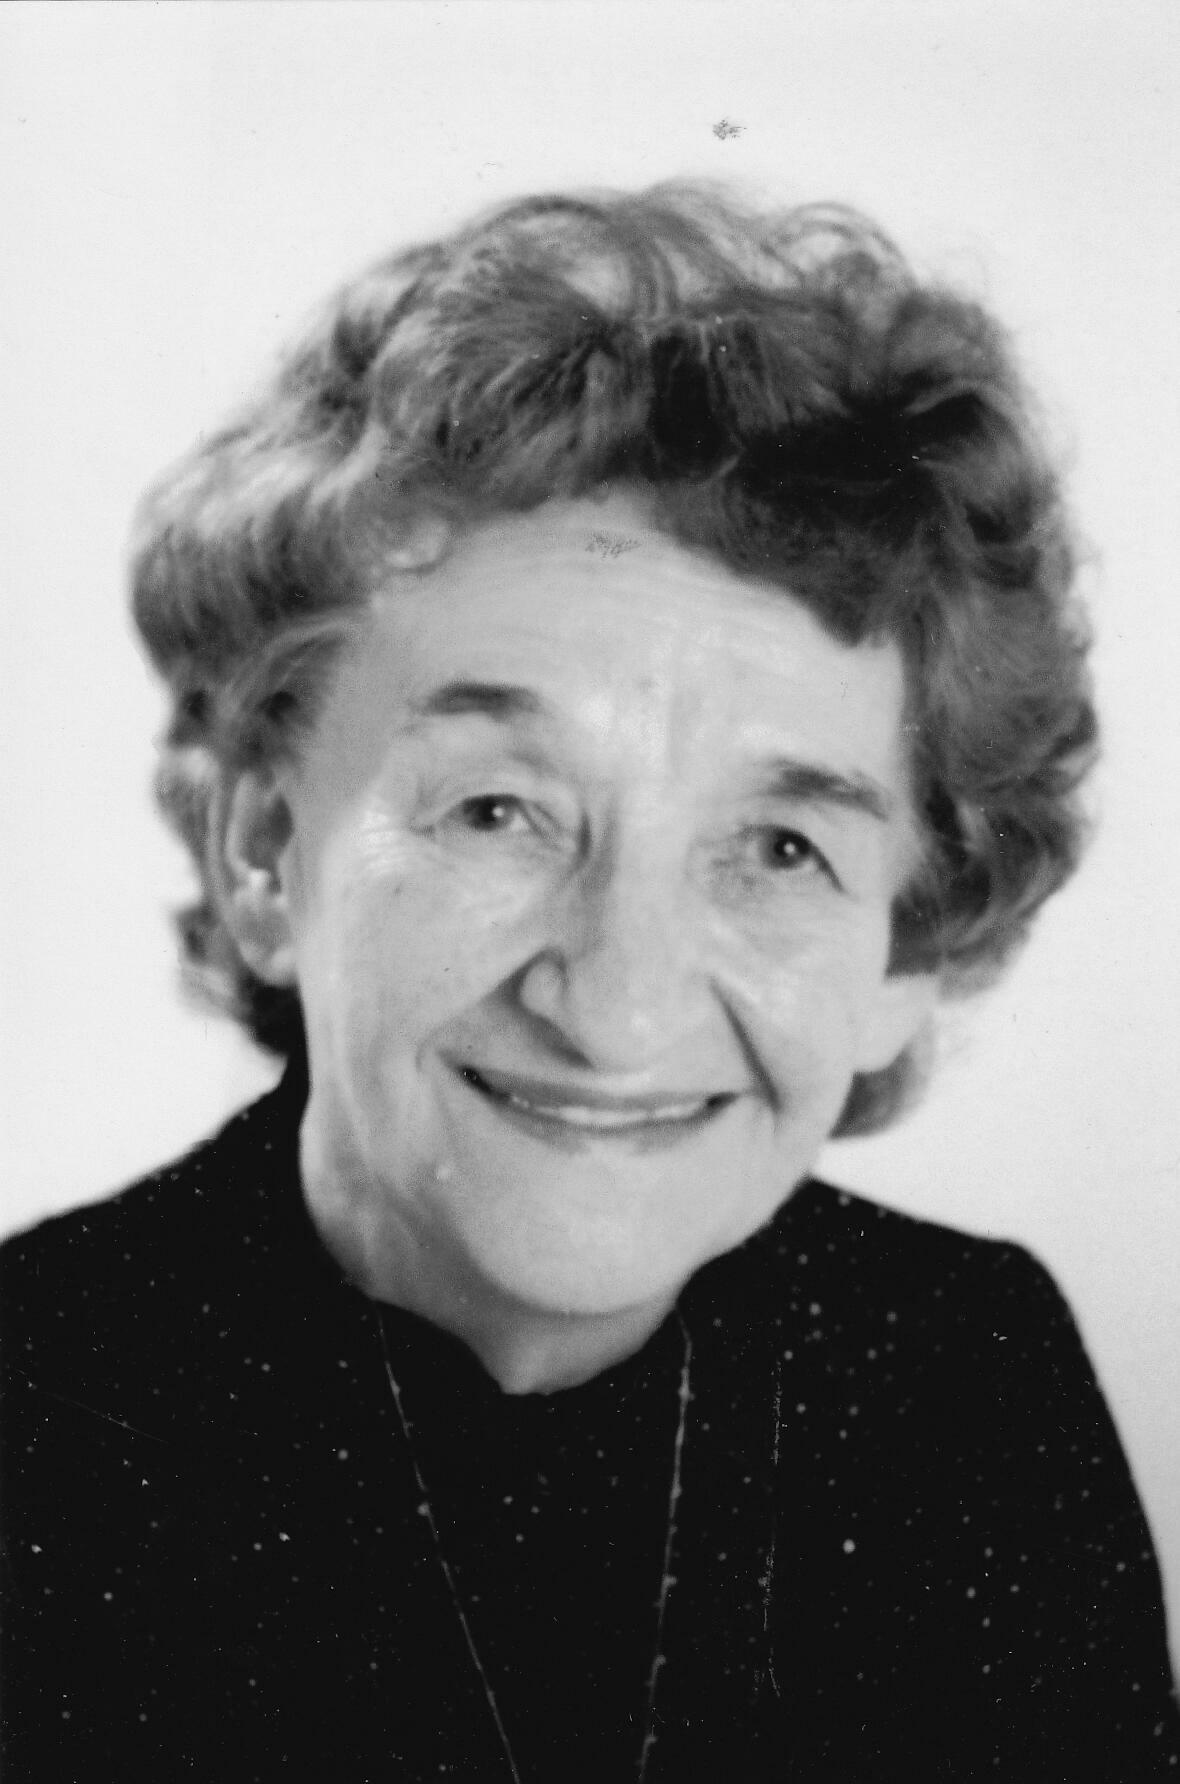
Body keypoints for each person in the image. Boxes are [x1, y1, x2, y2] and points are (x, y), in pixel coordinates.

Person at [2, 183, 1177, 1782]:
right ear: (267, 858)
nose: (618, 1007)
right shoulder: (36, 1415)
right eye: (500, 811)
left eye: (779, 849)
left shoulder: (964, 1385)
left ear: (907, 953)